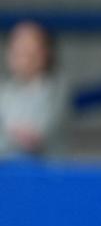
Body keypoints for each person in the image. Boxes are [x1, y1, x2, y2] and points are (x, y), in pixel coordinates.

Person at [0, 21, 69, 158]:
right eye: (17, 50)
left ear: (45, 53)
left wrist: (8, 134)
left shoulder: (55, 90)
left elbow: (33, 137)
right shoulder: (5, 90)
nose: (22, 57)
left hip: (43, 175)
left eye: (28, 51)